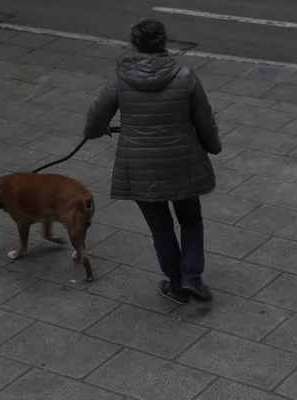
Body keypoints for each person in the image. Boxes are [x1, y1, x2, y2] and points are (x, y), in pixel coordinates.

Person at [82, 18, 221, 305]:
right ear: (164, 43)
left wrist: (98, 130)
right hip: (182, 163)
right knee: (191, 220)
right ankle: (192, 276)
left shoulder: (121, 78)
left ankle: (178, 287)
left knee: (161, 229)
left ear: (134, 44)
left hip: (139, 166)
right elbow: (204, 120)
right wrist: (212, 147)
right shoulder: (185, 75)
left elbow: (94, 120)